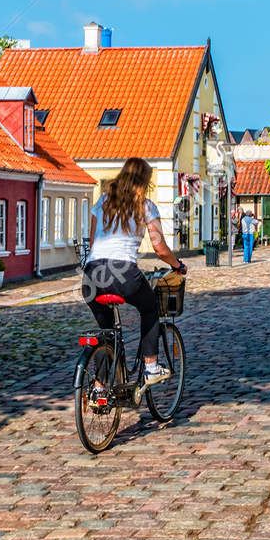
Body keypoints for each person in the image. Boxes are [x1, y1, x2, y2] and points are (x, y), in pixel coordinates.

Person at [83, 158, 186, 386]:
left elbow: (92, 244)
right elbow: (159, 248)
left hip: (92, 275)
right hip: (125, 275)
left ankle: (99, 388)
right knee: (150, 309)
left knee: (106, 331)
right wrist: (177, 265)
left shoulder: (102, 202)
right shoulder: (146, 207)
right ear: (144, 182)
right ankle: (150, 367)